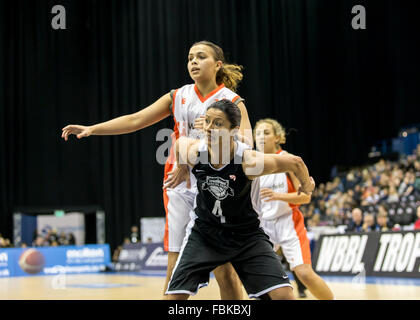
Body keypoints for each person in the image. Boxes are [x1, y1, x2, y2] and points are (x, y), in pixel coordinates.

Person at [61, 41, 252, 299]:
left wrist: (214, 133)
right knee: (174, 261)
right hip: (179, 185)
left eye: (201, 57)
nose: (193, 62)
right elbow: (135, 119)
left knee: (224, 268)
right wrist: (93, 129)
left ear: (217, 65)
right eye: (190, 58)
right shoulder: (178, 95)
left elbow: (248, 147)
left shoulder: (231, 101)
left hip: (216, 187)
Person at [165, 99, 315, 300]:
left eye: (218, 124)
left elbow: (295, 163)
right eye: (207, 121)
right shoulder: (194, 152)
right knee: (173, 299)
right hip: (205, 233)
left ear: (234, 130)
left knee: (284, 295)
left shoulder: (248, 161)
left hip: (246, 235)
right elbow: (180, 143)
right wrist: (181, 168)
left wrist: (307, 186)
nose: (209, 128)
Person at [253, 118, 333, 300]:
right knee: (259, 277)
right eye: (257, 133)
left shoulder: (288, 160)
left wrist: (278, 195)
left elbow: (305, 197)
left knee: (304, 273)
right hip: (263, 227)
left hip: (288, 222)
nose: (261, 137)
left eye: (266, 133)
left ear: (277, 138)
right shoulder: (253, 163)